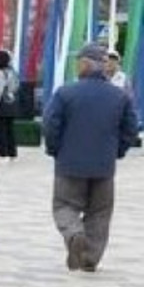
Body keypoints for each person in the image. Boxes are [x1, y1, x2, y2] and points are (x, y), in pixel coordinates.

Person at [43, 41, 139, 272]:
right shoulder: (119, 96)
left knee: (64, 206)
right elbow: (130, 129)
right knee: (100, 213)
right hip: (104, 166)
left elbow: (51, 124)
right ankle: (90, 257)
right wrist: (118, 151)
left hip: (69, 164)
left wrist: (55, 150)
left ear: (85, 64)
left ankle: (74, 234)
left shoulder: (65, 93)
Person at [0, 49, 19, 160]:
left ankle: (3, 153)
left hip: (1, 106)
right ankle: (12, 152)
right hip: (11, 104)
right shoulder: (12, 72)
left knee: (0, 130)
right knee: (10, 130)